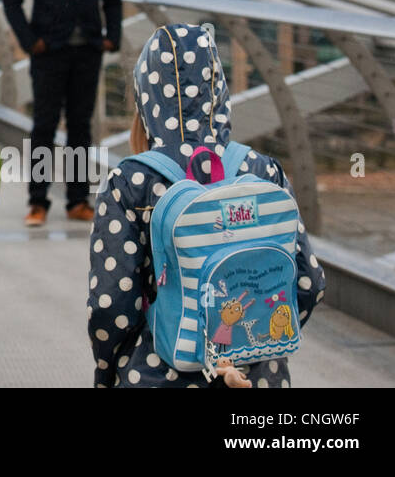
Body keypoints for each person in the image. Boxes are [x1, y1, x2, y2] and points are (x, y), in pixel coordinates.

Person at [88, 23, 324, 387]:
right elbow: (308, 284)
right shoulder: (262, 171)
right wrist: (256, 343)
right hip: (258, 377)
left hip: (155, 375)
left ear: (145, 99)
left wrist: (107, 374)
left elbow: (111, 304)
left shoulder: (130, 182)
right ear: (219, 90)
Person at [3, 0, 121, 226]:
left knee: (81, 128)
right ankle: (37, 202)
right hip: (48, 50)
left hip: (88, 48)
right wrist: (30, 41)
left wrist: (111, 35)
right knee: (44, 125)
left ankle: (77, 201)